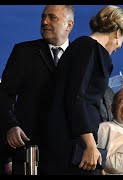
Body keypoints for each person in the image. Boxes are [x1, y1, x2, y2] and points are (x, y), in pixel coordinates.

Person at [45, 5, 123, 174]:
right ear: (116, 32)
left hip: (79, 140)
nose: (119, 46)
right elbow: (76, 96)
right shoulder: (88, 47)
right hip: (74, 143)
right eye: (122, 40)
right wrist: (90, 145)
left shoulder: (86, 48)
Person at [0, 5, 74, 175]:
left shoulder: (79, 57)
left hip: (67, 152)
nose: (44, 22)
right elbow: (4, 95)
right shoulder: (24, 52)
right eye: (43, 17)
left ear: (69, 25)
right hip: (29, 149)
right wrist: (11, 126)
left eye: (52, 17)